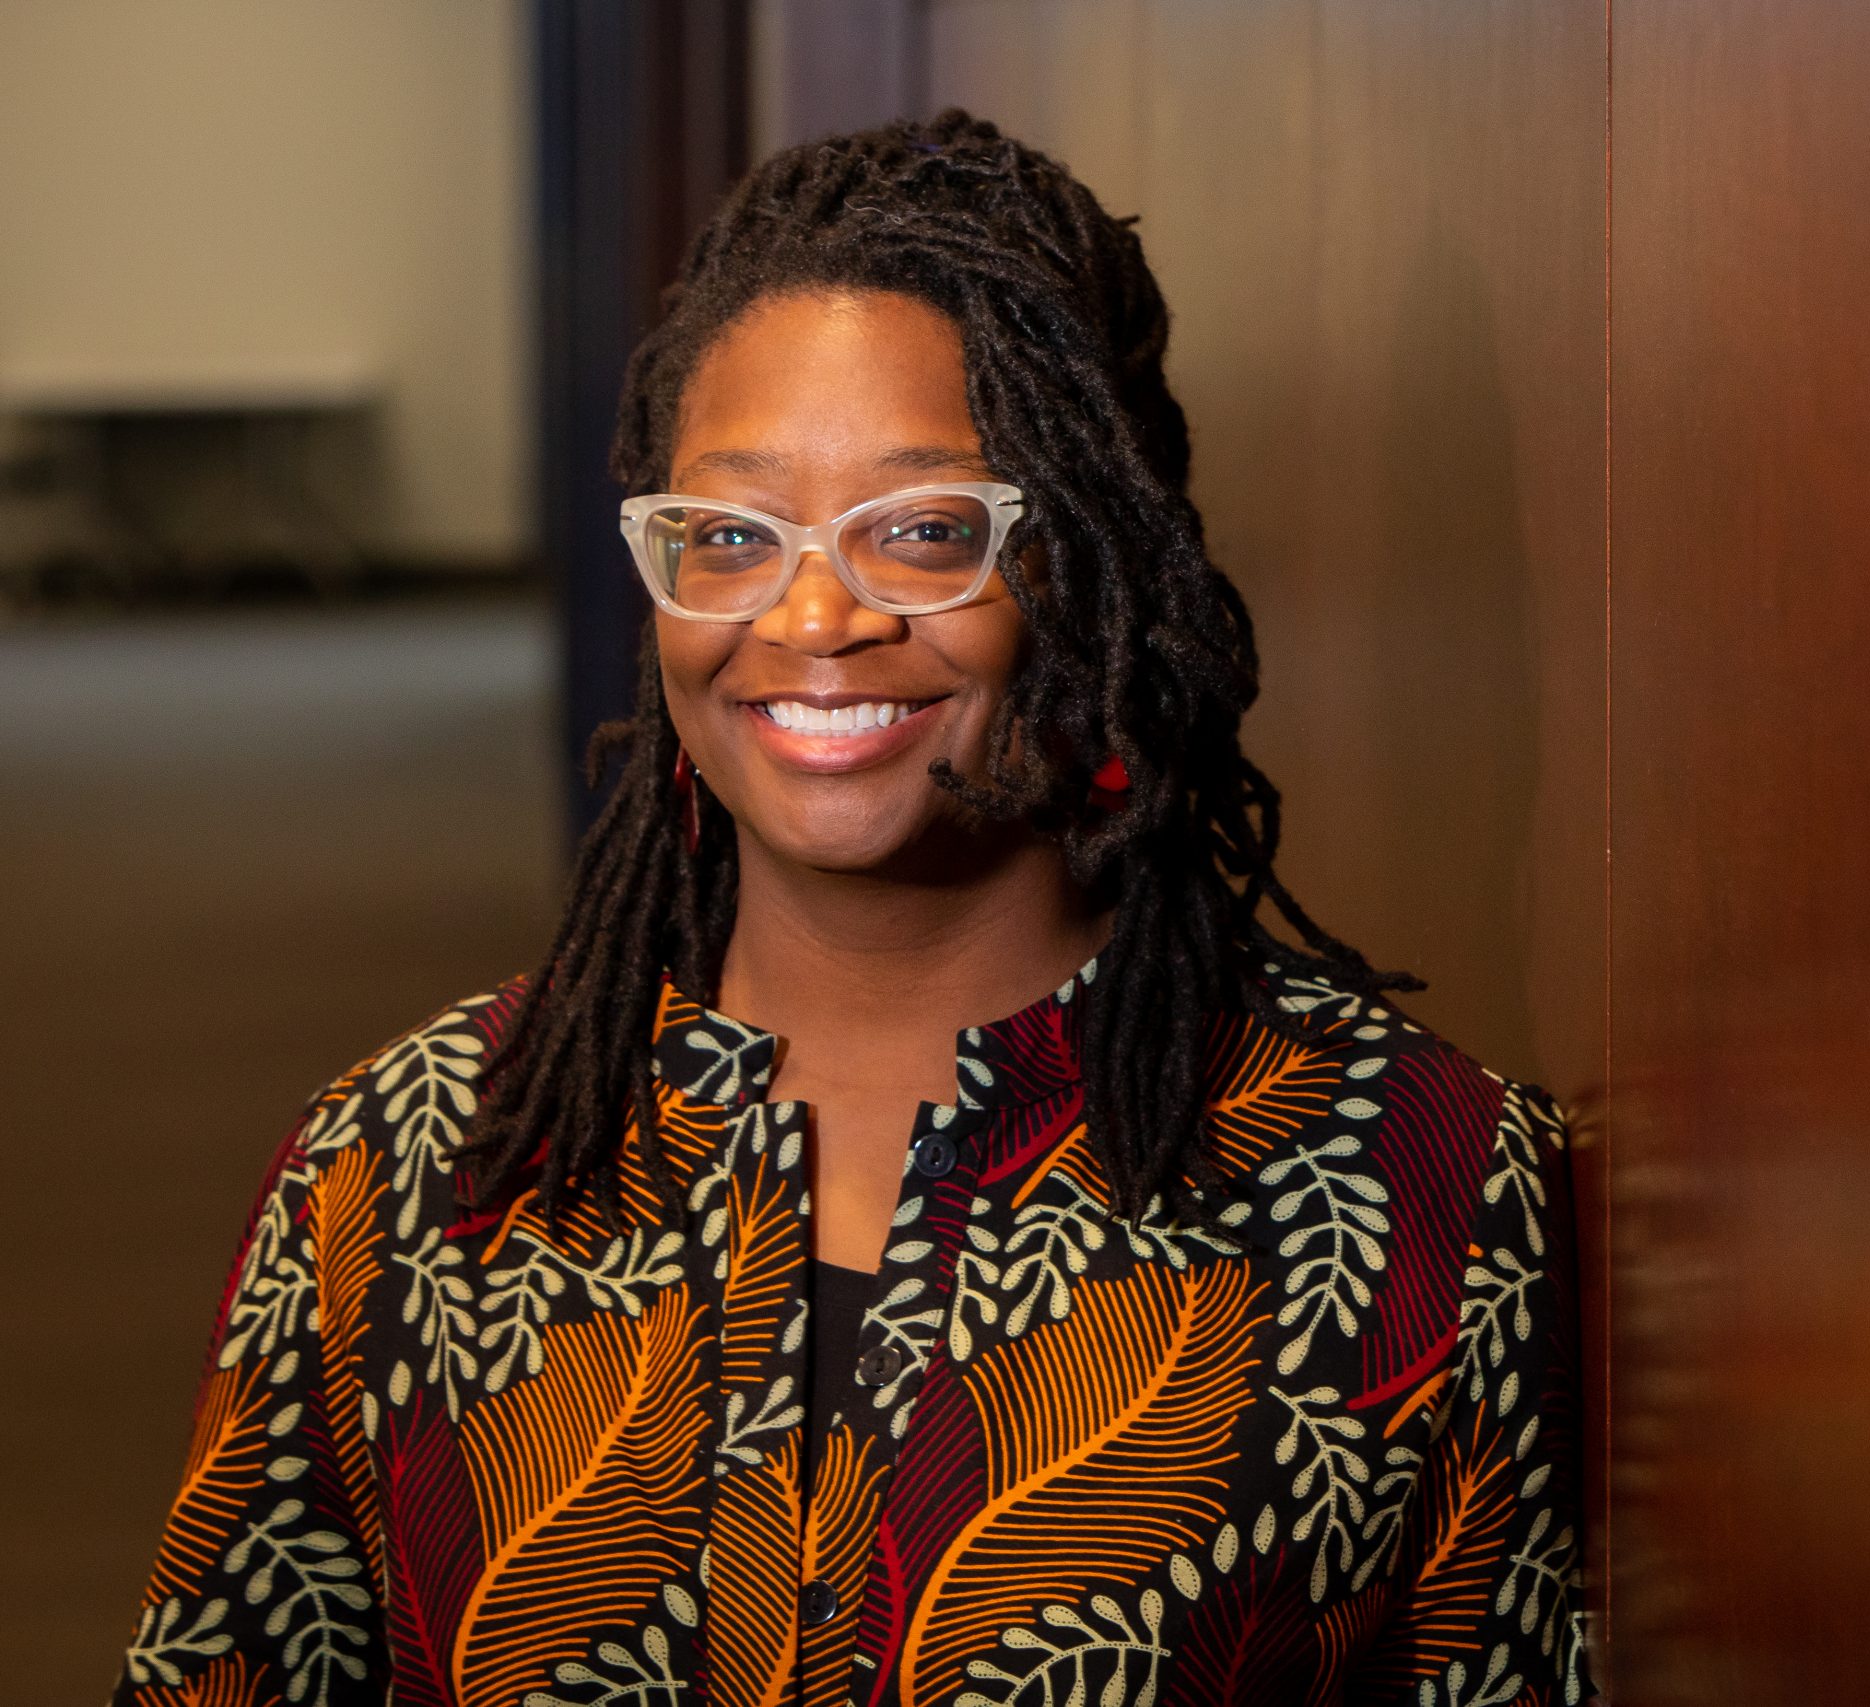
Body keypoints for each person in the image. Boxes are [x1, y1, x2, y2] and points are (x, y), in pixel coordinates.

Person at [114, 110, 1588, 1707]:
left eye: (926, 531)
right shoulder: (407, 1165)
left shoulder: (1411, 1182)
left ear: (1097, 565)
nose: (814, 616)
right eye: (731, 538)